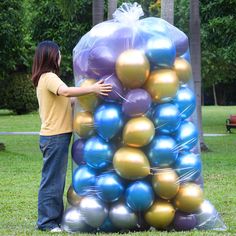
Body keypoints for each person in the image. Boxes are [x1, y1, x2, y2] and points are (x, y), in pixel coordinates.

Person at [31, 40, 112, 232]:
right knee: (52, 181)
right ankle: (46, 222)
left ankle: (54, 219)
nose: (60, 57)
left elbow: (69, 100)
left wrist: (89, 91)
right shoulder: (49, 76)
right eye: (58, 54)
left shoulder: (47, 78)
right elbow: (66, 92)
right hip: (55, 137)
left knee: (55, 179)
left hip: (56, 136)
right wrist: (92, 89)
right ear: (51, 56)